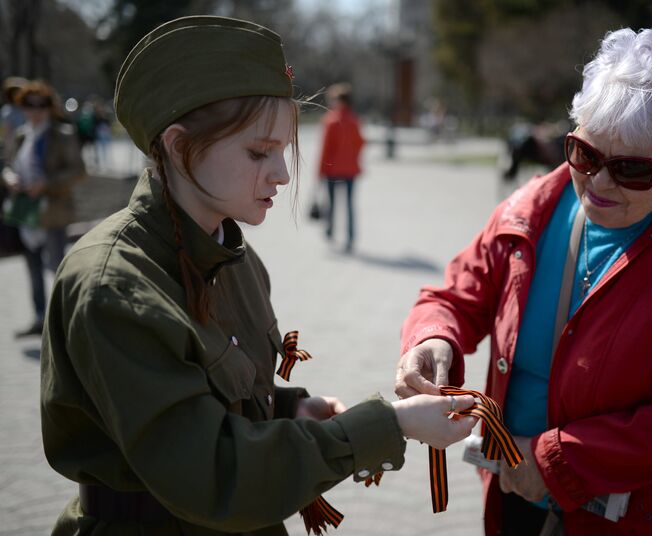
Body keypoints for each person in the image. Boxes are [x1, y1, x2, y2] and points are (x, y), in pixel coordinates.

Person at [40, 16, 477, 536]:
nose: (284, 173)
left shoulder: (232, 254)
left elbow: (221, 399)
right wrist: (393, 425)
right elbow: (212, 473)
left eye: (283, 149)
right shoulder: (114, 287)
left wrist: (290, 408)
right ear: (180, 148)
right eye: (258, 152)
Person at [396, 28, 652, 535]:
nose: (599, 182)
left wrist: (556, 463)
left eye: (632, 169)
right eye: (585, 153)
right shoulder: (533, 205)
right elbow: (455, 294)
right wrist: (432, 339)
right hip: (513, 494)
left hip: (635, 517)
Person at [2, 80, 85, 337]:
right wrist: (10, 179)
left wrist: (46, 184)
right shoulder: (21, 135)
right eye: (28, 104)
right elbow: (8, 165)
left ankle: (65, 318)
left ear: (49, 107)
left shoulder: (63, 134)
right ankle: (40, 318)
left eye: (40, 104)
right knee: (33, 267)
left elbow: (78, 171)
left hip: (53, 210)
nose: (35, 110)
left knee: (57, 266)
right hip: (26, 212)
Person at [318, 82, 364, 252]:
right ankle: (350, 237)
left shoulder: (331, 121)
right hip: (351, 169)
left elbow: (325, 149)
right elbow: (361, 143)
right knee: (350, 204)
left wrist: (320, 171)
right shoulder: (355, 120)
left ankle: (330, 231)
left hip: (332, 170)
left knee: (331, 203)